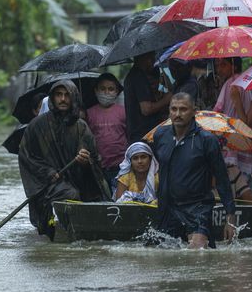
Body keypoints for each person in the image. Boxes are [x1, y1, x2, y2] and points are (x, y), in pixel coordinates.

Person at [18, 80, 111, 237]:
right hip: (47, 184)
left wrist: (86, 161)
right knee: (70, 195)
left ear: (73, 98)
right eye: (59, 95)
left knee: (99, 196)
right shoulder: (37, 125)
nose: (62, 99)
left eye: (67, 95)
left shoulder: (81, 127)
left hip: (78, 181)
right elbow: (26, 157)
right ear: (52, 98)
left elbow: (95, 161)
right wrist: (48, 172)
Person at [152, 92, 236, 248]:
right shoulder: (160, 135)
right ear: (169, 110)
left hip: (198, 207)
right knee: (165, 257)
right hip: (168, 207)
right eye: (174, 109)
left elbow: (222, 178)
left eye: (183, 109)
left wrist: (230, 216)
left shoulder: (207, 140)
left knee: (198, 252)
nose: (178, 114)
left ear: (194, 111)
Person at [213, 57, 252, 200]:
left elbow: (217, 112)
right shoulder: (248, 83)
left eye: (223, 65)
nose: (219, 69)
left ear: (234, 66)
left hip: (230, 140)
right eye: (217, 65)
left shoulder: (230, 84)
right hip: (245, 139)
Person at [86, 73, 128, 193]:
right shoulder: (88, 113)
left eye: (111, 89)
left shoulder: (123, 111)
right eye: (102, 89)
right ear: (96, 90)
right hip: (98, 168)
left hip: (120, 167)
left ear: (117, 92)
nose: (106, 92)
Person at [124, 51, 172, 143]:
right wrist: (166, 99)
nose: (154, 60)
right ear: (144, 58)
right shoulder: (138, 76)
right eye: (151, 57)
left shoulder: (134, 75)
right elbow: (146, 109)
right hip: (143, 135)